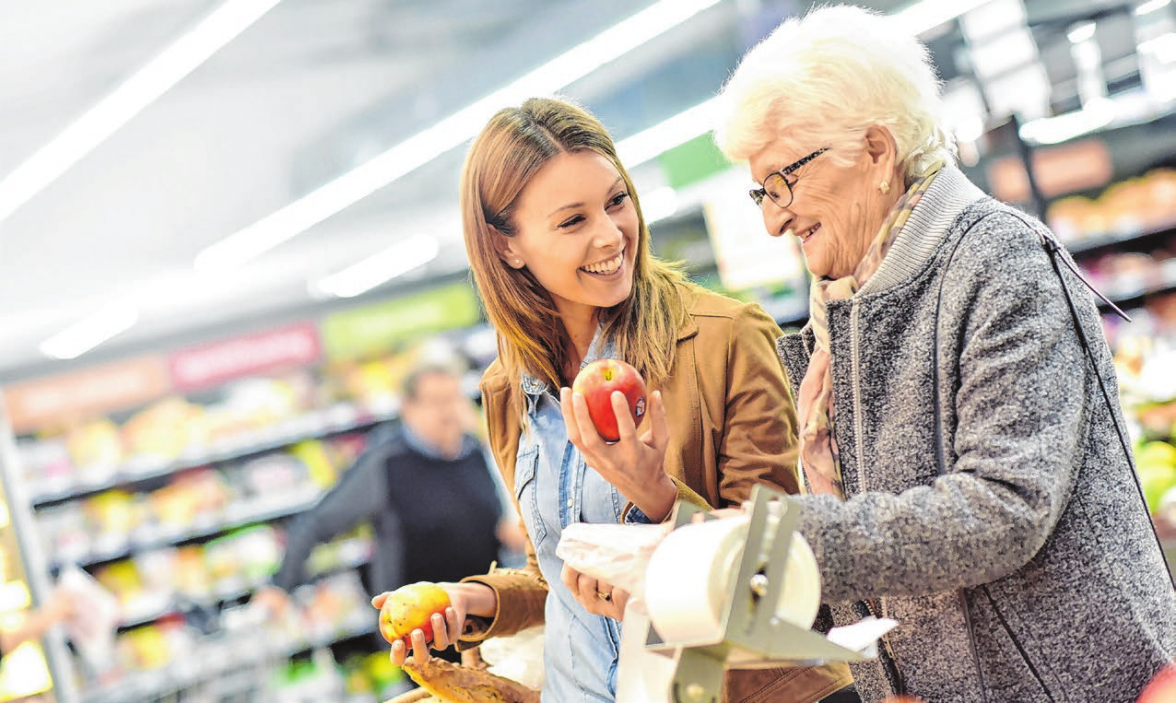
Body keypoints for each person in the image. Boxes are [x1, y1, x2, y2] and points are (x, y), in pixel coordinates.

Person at [709, 5, 1176, 702]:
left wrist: (781, 539)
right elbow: (872, 554)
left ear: (875, 151)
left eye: (784, 181)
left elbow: (1004, 506)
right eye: (759, 192)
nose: (773, 218)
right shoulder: (843, 314)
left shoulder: (999, 259)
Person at [374, 97, 852, 702]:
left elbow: (777, 571)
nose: (610, 234)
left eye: (617, 200)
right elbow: (559, 574)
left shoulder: (724, 338)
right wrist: (477, 600)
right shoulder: (509, 388)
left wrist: (657, 497)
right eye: (572, 221)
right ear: (506, 246)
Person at [255, 361, 516, 662]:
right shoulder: (387, 463)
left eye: (454, 398)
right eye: (436, 401)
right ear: (408, 408)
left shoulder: (474, 450)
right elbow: (317, 522)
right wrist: (280, 585)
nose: (449, 411)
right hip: (420, 633)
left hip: (483, 617)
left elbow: (495, 519)